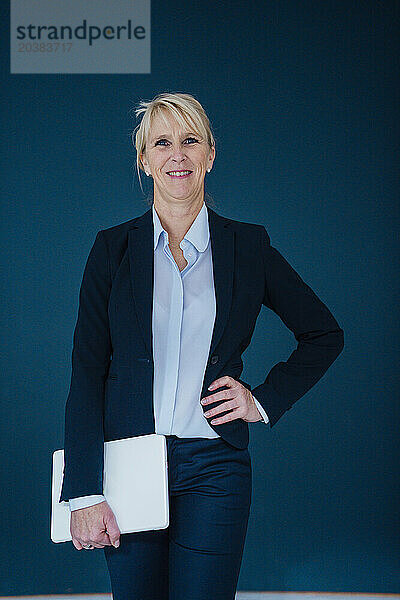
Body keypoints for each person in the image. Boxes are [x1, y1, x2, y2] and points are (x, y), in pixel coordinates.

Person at [59, 92, 344, 599]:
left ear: (210, 154)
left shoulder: (248, 246)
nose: (178, 154)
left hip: (216, 466)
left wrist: (261, 401)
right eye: (162, 143)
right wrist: (84, 491)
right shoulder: (112, 249)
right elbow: (85, 374)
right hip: (130, 464)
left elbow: (324, 333)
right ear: (145, 161)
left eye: (190, 140)